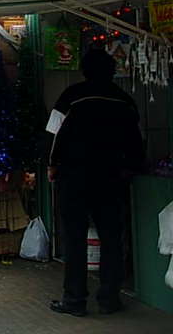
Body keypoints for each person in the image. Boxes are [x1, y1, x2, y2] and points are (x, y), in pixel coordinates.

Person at [46, 49, 144, 317]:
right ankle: (109, 299)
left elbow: (54, 134)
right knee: (112, 238)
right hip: (111, 177)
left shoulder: (71, 96)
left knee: (74, 238)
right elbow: (136, 141)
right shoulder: (125, 100)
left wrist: (52, 164)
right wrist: (130, 168)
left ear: (84, 70)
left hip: (73, 177)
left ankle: (74, 300)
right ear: (112, 71)